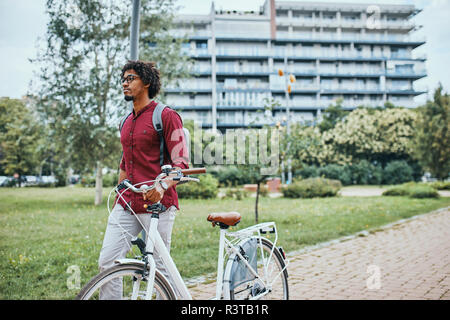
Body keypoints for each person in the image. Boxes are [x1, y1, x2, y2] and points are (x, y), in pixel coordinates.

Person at [98, 60, 189, 300]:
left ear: (146, 82)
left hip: (158, 204)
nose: (124, 83)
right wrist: (119, 193)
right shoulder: (125, 122)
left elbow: (181, 164)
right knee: (107, 262)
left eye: (130, 78)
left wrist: (162, 185)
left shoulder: (166, 116)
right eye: (123, 79)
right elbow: (125, 164)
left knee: (160, 269)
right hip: (127, 203)